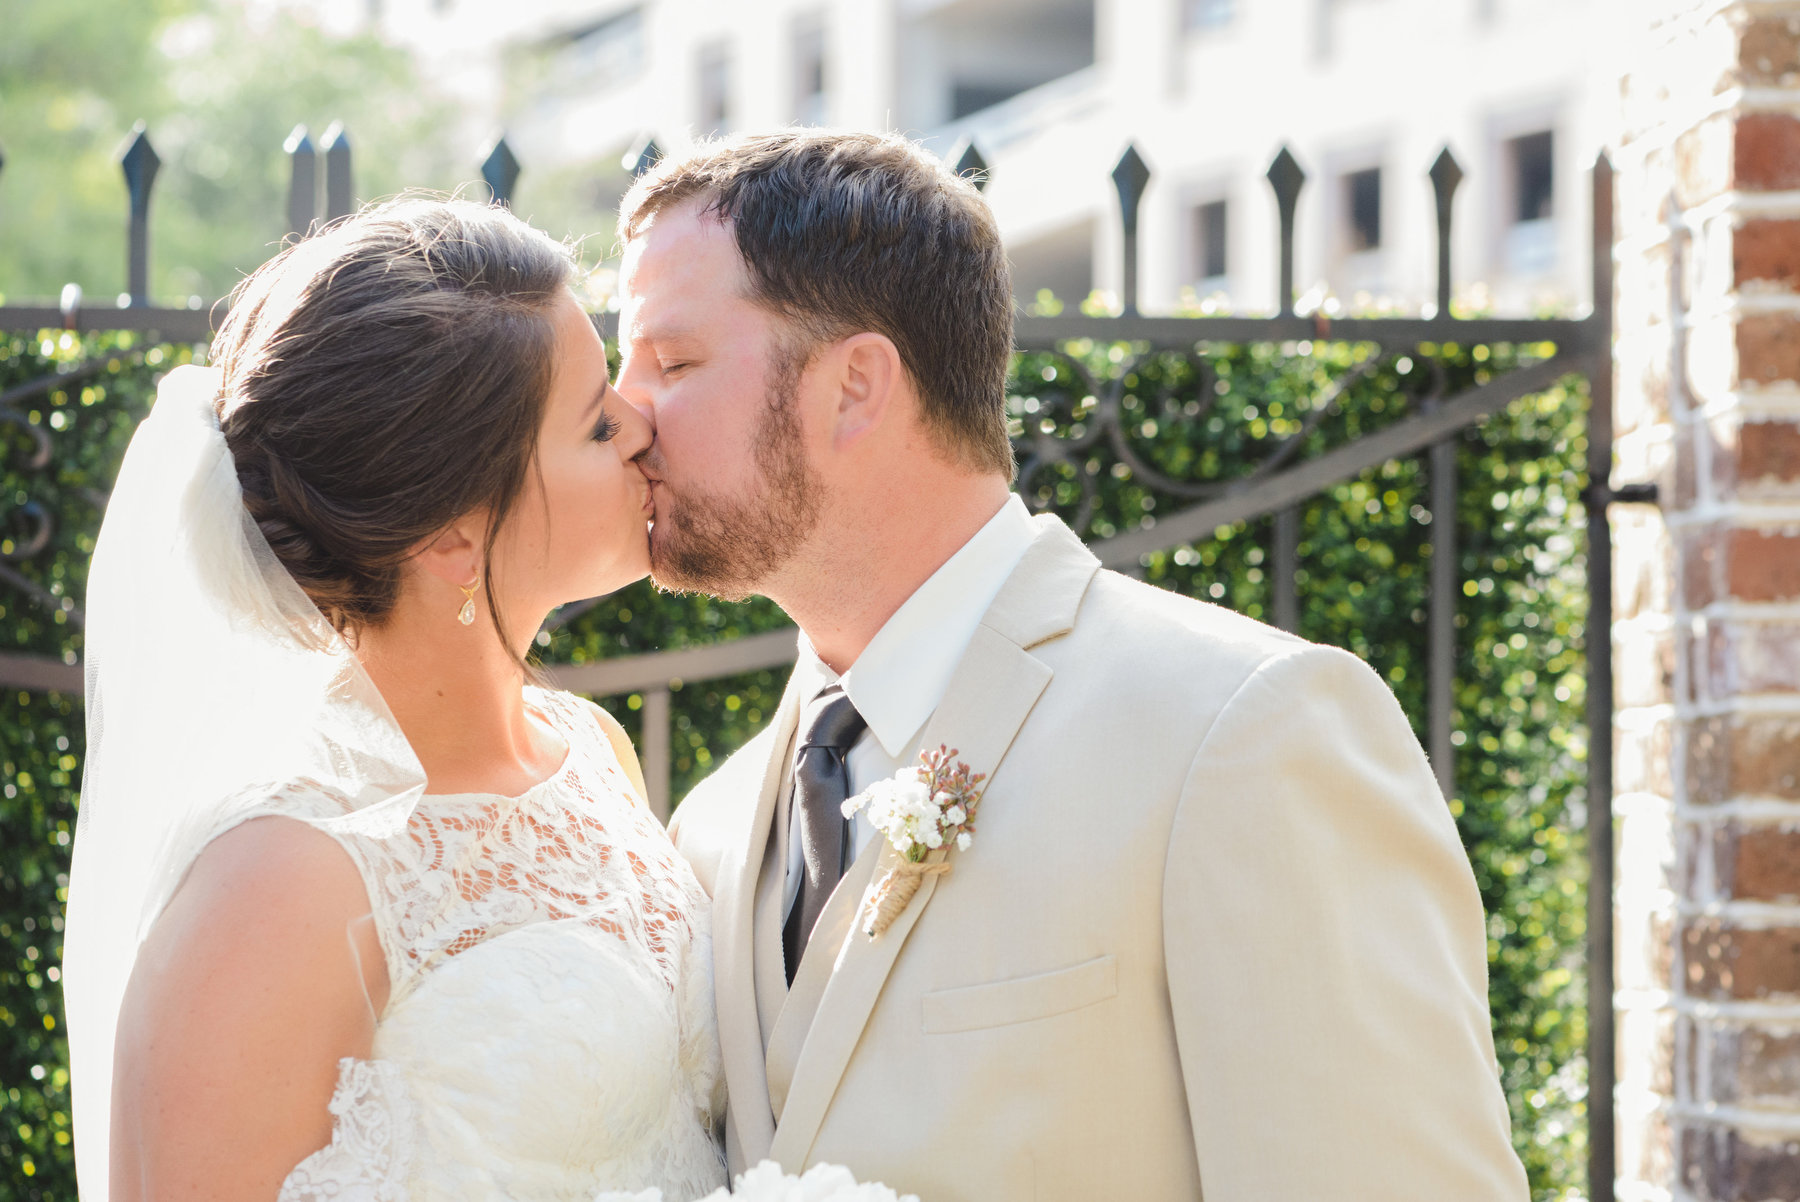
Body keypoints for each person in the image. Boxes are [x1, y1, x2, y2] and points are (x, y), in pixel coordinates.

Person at [627, 130, 1533, 1202]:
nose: (621, 413)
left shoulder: (1243, 731)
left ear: (855, 388)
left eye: (671, 362)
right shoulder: (714, 824)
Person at [62, 198, 727, 1202]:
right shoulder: (279, 878)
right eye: (596, 421)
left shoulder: (590, 749)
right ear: (453, 535)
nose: (642, 425)